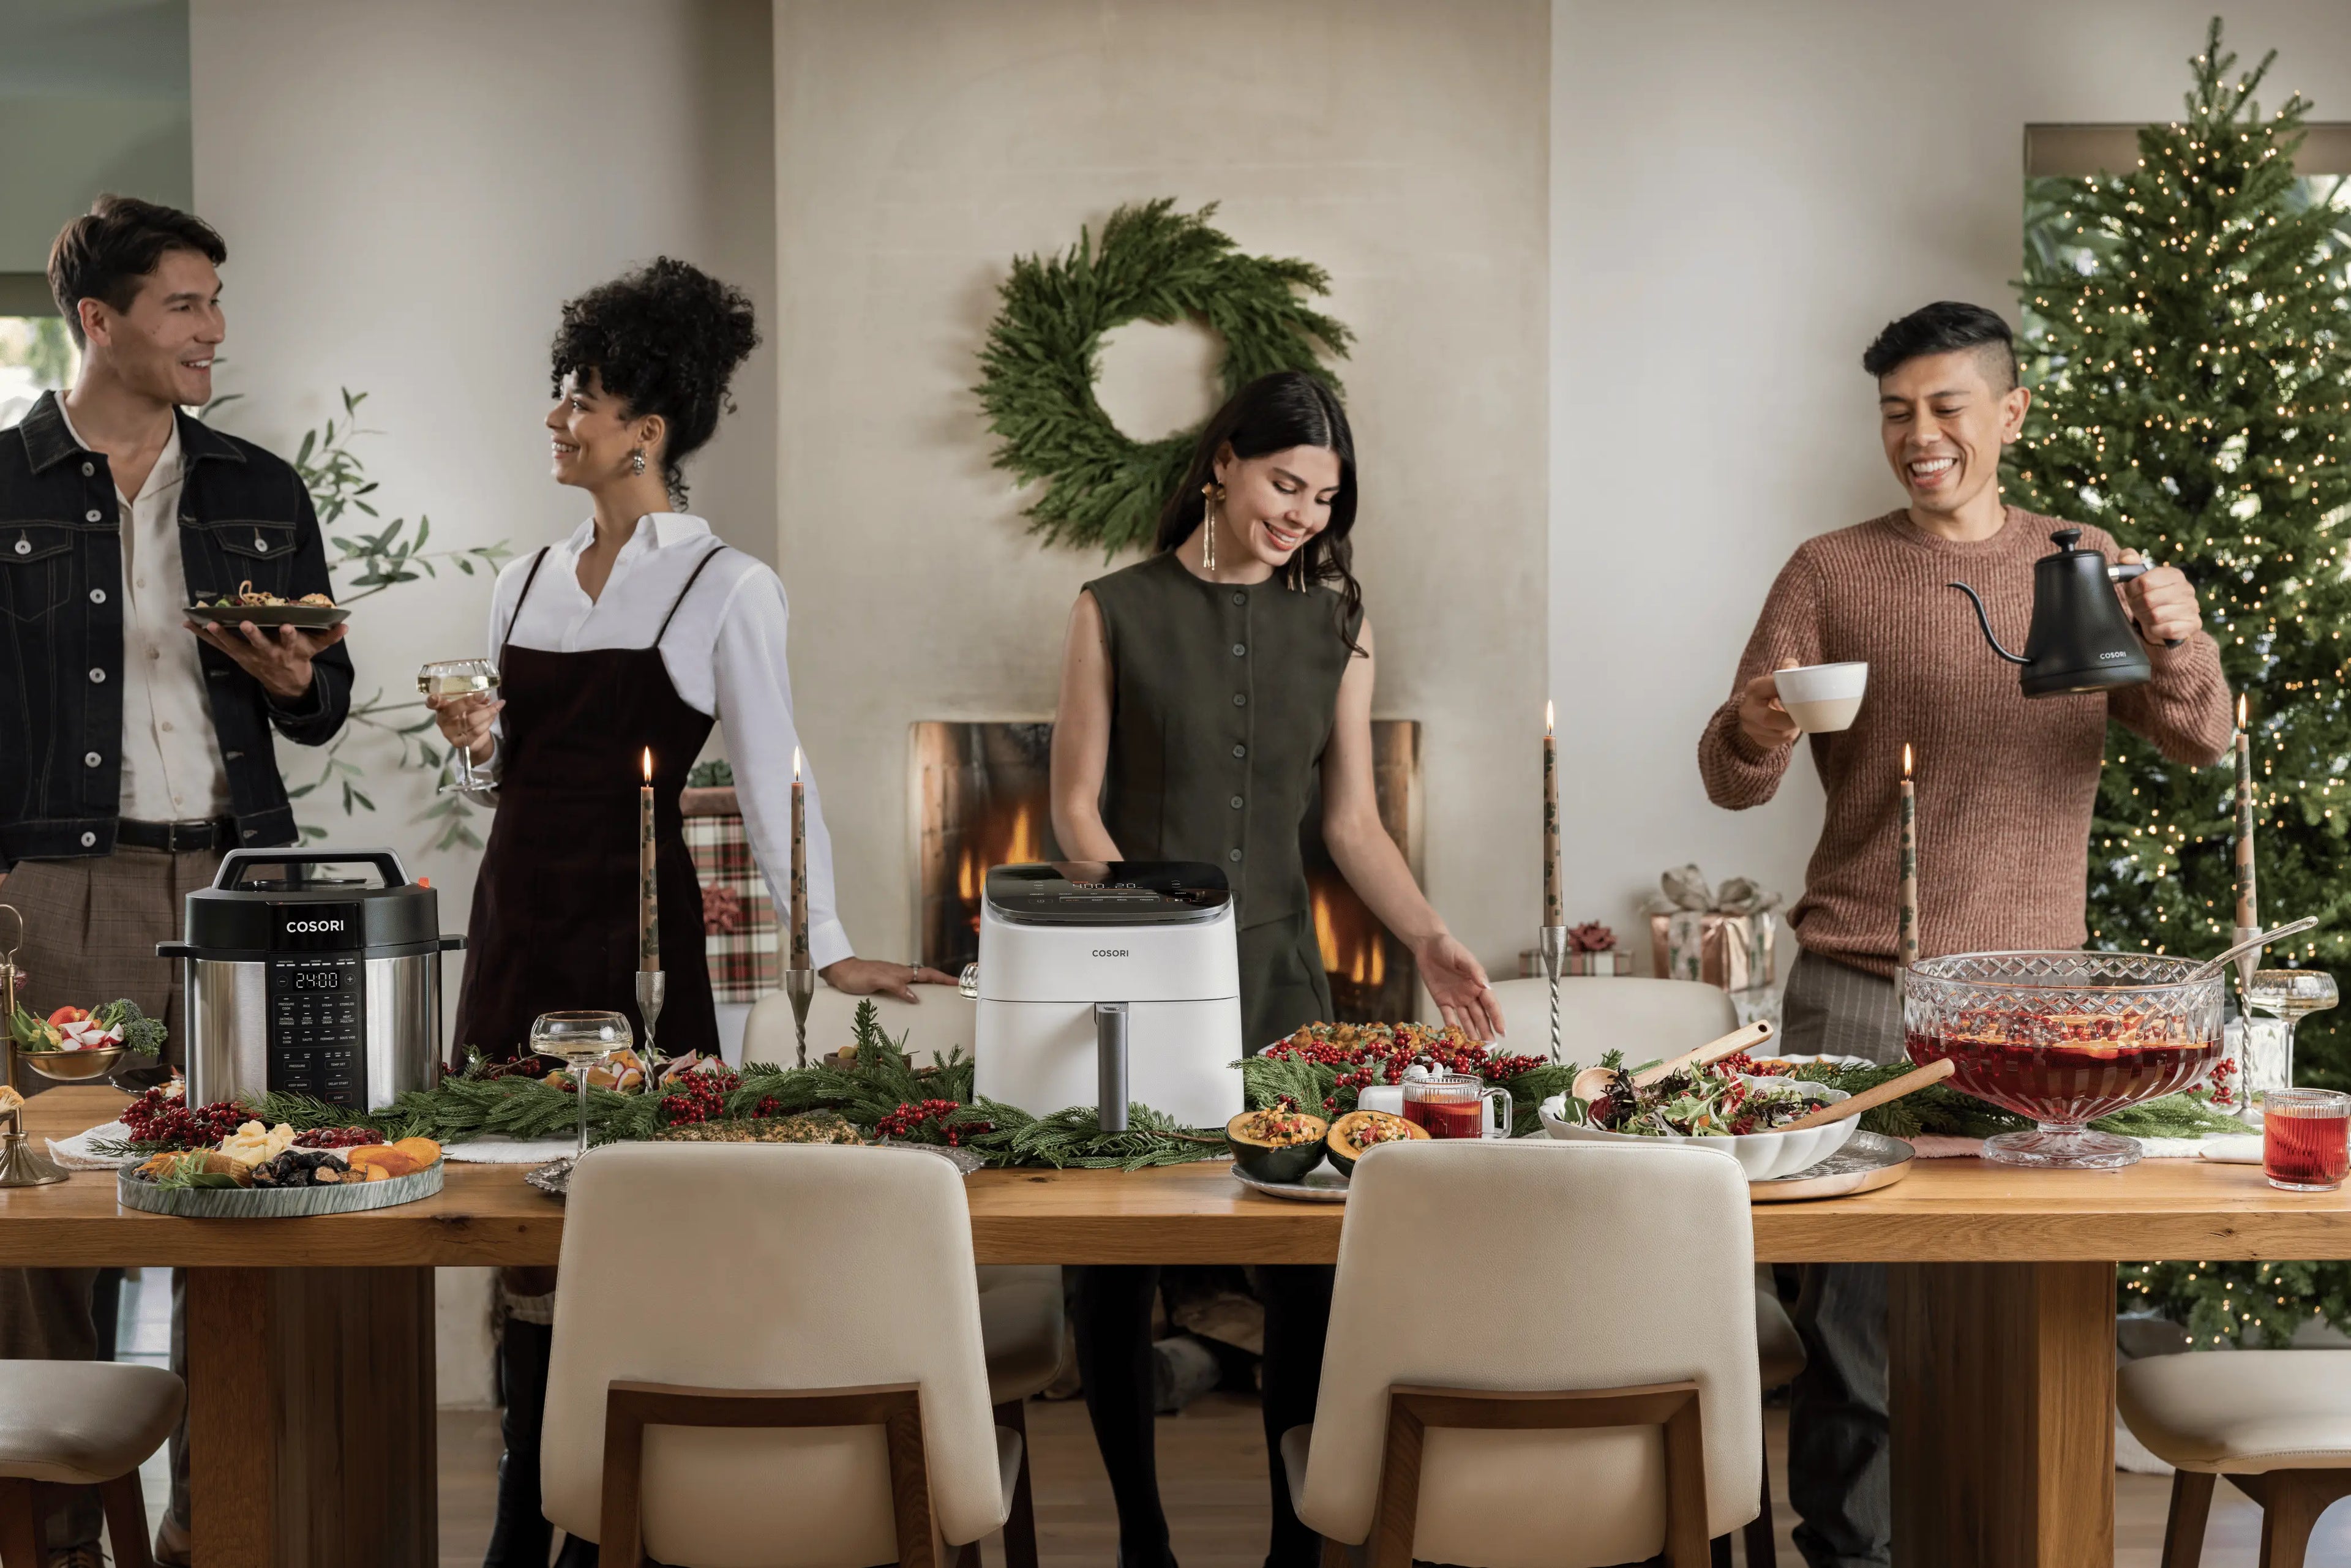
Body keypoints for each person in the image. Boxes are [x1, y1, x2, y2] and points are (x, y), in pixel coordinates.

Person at [427, 257, 947, 1567]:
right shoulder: (525, 577)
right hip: (518, 920)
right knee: (515, 1230)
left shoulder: (728, 584)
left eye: (583, 399)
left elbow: (779, 776)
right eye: (562, 394)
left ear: (647, 428)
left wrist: (826, 949)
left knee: (633, 1219)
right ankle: (519, 1509)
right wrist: (472, 741)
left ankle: (618, 1508)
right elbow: (506, 779)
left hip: (638, 934)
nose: (559, 418)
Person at [1695, 301, 2231, 1568]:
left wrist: (2180, 634)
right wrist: (1764, 725)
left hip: (2042, 1009)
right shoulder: (1830, 569)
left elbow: (2198, 736)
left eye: (1946, 407)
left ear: (2010, 412)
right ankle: (1855, 1559)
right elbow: (1732, 775)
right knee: (1852, 1331)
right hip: (1860, 988)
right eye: (1897, 411)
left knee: (2020, 1324)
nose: (1919, 435)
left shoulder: (2076, 561)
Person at [1049, 370, 1502, 1568]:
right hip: (1142, 977)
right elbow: (1074, 817)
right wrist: (1150, 919)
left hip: (1286, 983)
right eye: (1285, 483)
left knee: (1305, 1257)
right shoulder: (1111, 608)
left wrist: (1425, 936)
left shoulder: (1341, 623)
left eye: (1324, 497)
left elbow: (1350, 825)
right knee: (1111, 1259)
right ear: (1224, 464)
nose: (1303, 513)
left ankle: (1293, 1546)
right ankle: (1142, 1539)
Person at [0, 194, 353, 1568]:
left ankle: (231, 1528)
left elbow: (324, 708)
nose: (214, 330)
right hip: (55, 887)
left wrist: (296, 676)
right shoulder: (5, 484)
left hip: (237, 883)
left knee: (251, 1195)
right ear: (102, 322)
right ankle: (57, 1533)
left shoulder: (262, 486)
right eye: (186, 305)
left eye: (215, 302)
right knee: (51, 1217)